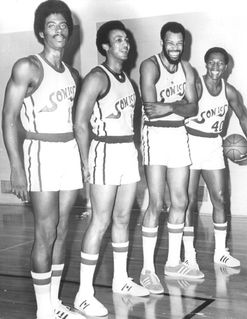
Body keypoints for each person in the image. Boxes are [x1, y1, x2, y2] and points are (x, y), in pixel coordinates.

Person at [2, 1, 84, 318]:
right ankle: (43, 310)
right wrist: (16, 168)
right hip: (40, 153)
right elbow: (9, 118)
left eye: (63, 24)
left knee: (63, 231)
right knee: (46, 232)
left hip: (68, 153)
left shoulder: (73, 74)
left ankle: (55, 303)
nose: (59, 29)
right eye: (51, 24)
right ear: (41, 31)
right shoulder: (28, 67)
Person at [72, 21, 149, 317]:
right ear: (105, 46)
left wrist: (137, 153)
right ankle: (83, 294)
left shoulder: (128, 81)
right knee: (99, 221)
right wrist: (85, 162)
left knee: (122, 218)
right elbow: (80, 122)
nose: (125, 44)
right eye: (118, 40)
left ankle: (120, 280)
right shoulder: (96, 77)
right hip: (103, 150)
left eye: (126, 39)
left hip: (127, 150)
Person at [139, 21, 203, 294]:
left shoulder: (188, 68)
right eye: (171, 43)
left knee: (182, 200)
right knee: (156, 203)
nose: (175, 48)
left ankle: (173, 263)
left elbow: (193, 108)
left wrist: (171, 106)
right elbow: (152, 110)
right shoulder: (150, 66)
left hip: (179, 134)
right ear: (162, 42)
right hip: (154, 135)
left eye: (180, 43)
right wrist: (178, 106)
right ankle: (147, 270)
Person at [182, 47, 247, 272]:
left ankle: (221, 252)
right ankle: (189, 255)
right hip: (191, 142)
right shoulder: (195, 86)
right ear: (206, 64)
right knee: (189, 200)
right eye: (212, 62)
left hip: (214, 144)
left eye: (220, 63)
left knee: (220, 198)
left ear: (226, 67)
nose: (216, 67)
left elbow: (243, 116)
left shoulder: (229, 91)